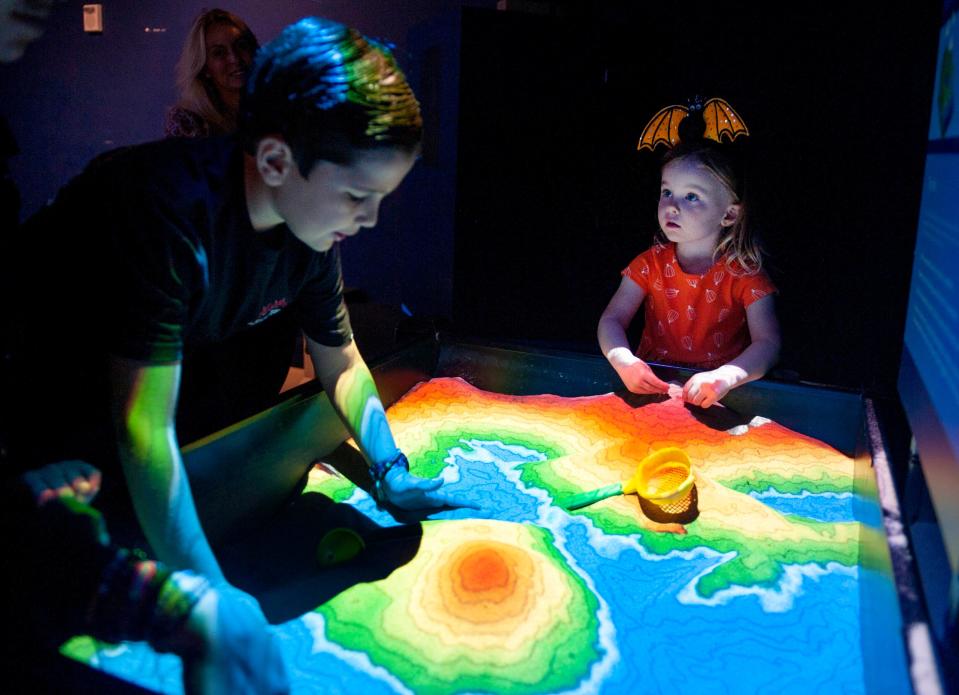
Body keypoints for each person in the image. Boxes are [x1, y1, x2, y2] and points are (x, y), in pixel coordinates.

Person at [6, 14, 455, 600]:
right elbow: (142, 431)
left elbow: (340, 360)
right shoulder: (167, 212)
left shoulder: (310, 232)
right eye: (354, 196)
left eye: (379, 198)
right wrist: (213, 602)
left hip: (148, 385)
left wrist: (391, 472)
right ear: (274, 162)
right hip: (36, 384)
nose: (368, 219)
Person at [598, 105, 781, 409]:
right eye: (666, 192)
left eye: (691, 196)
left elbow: (769, 345)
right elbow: (612, 319)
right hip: (651, 393)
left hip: (718, 400)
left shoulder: (746, 276)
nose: (671, 206)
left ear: (729, 214)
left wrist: (725, 377)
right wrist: (623, 361)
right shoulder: (648, 264)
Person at [164, 8, 258, 138]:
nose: (234, 58)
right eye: (219, 52)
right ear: (205, 68)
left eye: (241, 45)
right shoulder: (189, 122)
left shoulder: (279, 105)